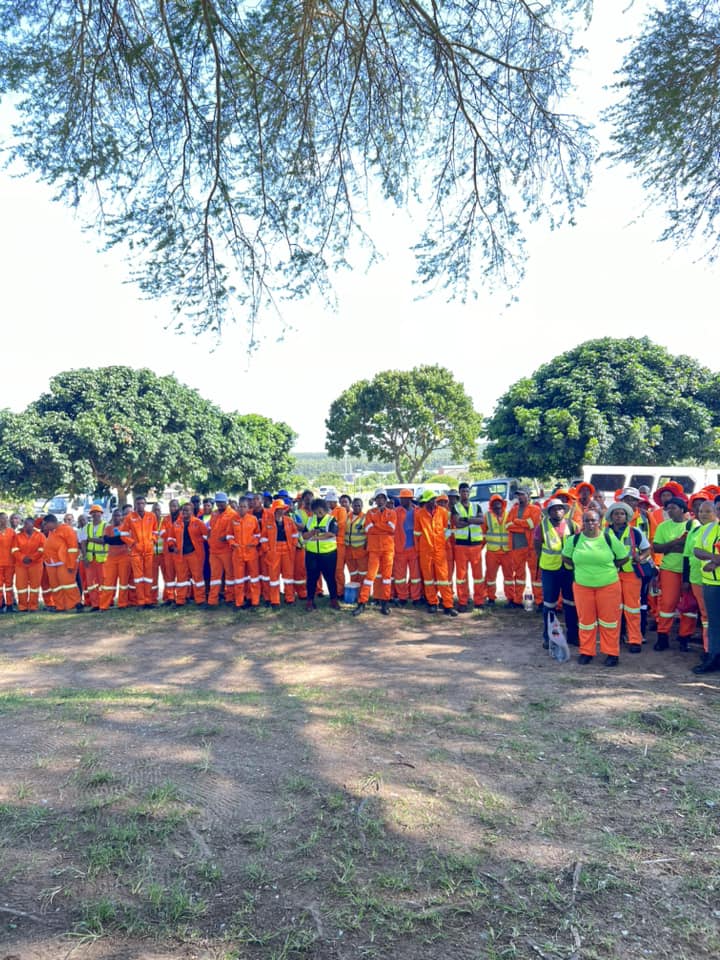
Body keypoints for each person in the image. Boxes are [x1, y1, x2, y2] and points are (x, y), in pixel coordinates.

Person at [561, 508, 628, 666]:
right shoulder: (574, 540)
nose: (590, 523)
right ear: (582, 522)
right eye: (587, 520)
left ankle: (611, 653)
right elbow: (566, 557)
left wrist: (610, 568)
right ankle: (586, 651)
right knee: (586, 622)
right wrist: (580, 569)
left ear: (600, 522)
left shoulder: (608, 538)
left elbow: (623, 557)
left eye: (593, 520)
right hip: (582, 586)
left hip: (609, 586)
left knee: (609, 622)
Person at [652, 496, 698, 651]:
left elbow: (691, 548)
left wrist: (670, 547)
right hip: (669, 570)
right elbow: (657, 548)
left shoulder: (693, 525)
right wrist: (676, 543)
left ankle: (685, 637)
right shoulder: (663, 527)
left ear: (683, 509)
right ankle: (662, 636)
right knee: (667, 604)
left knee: (689, 605)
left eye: (673, 508)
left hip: (690, 570)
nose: (670, 511)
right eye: (668, 508)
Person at [607, 500, 651, 653]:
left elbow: (647, 549)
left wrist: (641, 557)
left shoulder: (635, 532)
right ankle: (615, 639)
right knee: (614, 608)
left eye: (622, 514)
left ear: (626, 517)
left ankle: (635, 640)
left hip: (631, 574)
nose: (619, 516)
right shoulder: (604, 533)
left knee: (632, 608)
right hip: (611, 575)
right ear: (611, 517)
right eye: (616, 514)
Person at [534, 498, 579, 649]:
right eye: (554, 509)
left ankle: (573, 635)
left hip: (568, 569)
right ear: (549, 512)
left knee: (571, 604)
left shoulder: (572, 525)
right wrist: (543, 561)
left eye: (560, 508)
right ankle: (548, 637)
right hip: (549, 571)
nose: (557, 511)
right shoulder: (541, 526)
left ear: (564, 511)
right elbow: (537, 546)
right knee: (549, 605)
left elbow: (579, 542)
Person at [414, 490, 458, 616]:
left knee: (443, 579)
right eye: (431, 500)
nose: (433, 502)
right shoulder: (419, 514)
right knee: (428, 579)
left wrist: (442, 543)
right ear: (426, 502)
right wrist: (419, 550)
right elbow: (416, 534)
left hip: (440, 551)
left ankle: (448, 605)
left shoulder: (443, 512)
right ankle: (432, 603)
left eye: (434, 499)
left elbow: (447, 530)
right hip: (425, 551)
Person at [353, 490, 396, 616]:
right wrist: (383, 527)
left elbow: (392, 528)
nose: (381, 500)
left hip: (387, 550)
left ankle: (385, 603)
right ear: (375, 500)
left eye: (383, 498)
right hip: (374, 550)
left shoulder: (392, 513)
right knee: (369, 577)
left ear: (386, 500)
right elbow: (368, 529)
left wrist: (376, 526)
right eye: (378, 498)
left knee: (386, 578)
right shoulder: (370, 513)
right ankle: (362, 602)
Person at [684, 498, 715, 658]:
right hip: (698, 579)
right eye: (701, 511)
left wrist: (714, 561)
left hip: (713, 581)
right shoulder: (696, 531)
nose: (703, 514)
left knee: (712, 616)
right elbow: (690, 554)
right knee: (705, 616)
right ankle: (708, 648)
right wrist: (686, 579)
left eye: (708, 511)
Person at [692, 496, 720, 673]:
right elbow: (697, 550)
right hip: (710, 583)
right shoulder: (707, 529)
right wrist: (713, 558)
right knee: (714, 623)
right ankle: (714, 657)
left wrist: (717, 562)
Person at [119, 496, 158, 607]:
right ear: (135, 505)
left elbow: (155, 531)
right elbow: (122, 534)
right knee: (139, 578)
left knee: (148, 577)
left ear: (145, 504)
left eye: (142, 503)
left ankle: (148, 600)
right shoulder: (130, 517)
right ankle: (141, 602)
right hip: (135, 552)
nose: (140, 505)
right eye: (138, 503)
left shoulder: (152, 516)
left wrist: (153, 541)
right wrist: (132, 543)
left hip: (149, 551)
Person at [507, 488, 542, 607]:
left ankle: (539, 601)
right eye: (518, 495)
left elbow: (533, 524)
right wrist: (523, 525)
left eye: (522, 495)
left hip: (531, 547)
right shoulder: (514, 509)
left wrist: (516, 522)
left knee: (535, 575)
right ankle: (517, 600)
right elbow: (508, 525)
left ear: (528, 495)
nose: (520, 497)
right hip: (517, 547)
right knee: (519, 575)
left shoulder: (535, 509)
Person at [452, 482, 485, 611]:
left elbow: (481, 521)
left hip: (476, 546)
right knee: (461, 576)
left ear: (469, 492)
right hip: (461, 546)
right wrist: (473, 520)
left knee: (478, 575)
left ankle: (479, 601)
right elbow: (457, 524)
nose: (465, 493)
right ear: (459, 493)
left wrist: (466, 519)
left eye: (467, 491)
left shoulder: (477, 506)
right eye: (462, 491)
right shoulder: (455, 507)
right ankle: (463, 602)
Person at [302, 498, 339, 610]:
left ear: (325, 509)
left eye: (320, 511)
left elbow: (332, 534)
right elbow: (304, 536)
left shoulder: (331, 519)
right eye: (316, 511)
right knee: (311, 579)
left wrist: (315, 536)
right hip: (312, 554)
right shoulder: (309, 520)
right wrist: (312, 533)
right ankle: (310, 601)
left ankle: (334, 600)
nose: (318, 513)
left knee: (330, 578)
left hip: (328, 554)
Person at [168, 503, 208, 606]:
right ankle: (180, 600)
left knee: (197, 578)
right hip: (181, 555)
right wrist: (173, 546)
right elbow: (170, 538)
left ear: (192, 511)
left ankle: (200, 600)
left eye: (187, 510)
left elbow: (207, 535)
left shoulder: (198, 523)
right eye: (183, 511)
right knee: (181, 579)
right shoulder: (176, 523)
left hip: (195, 554)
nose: (185, 512)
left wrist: (198, 542)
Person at [43, 513, 84, 612]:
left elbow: (73, 548)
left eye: (46, 524)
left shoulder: (67, 529)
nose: (45, 527)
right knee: (55, 586)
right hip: (52, 563)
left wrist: (71, 565)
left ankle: (76, 604)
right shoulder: (52, 531)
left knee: (68, 584)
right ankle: (60, 606)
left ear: (52, 522)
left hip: (64, 562)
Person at [262, 500, 299, 606]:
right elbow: (263, 538)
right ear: (274, 510)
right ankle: (275, 600)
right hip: (274, 551)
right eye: (278, 509)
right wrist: (267, 550)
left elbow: (295, 534)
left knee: (288, 576)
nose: (281, 511)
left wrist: (292, 546)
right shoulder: (268, 522)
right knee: (273, 577)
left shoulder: (289, 521)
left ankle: (289, 598)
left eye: (282, 509)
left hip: (287, 551)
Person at [229, 496, 261, 609]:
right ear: (237, 507)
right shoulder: (233, 519)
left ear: (248, 508)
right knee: (239, 580)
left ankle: (254, 601)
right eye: (240, 506)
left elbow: (258, 535)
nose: (242, 509)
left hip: (251, 553)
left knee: (253, 579)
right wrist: (233, 543)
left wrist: (254, 542)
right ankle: (239, 602)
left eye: (244, 507)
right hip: (237, 554)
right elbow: (229, 535)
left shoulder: (253, 519)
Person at [206, 492, 238, 607]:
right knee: (214, 577)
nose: (219, 504)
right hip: (213, 551)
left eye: (221, 502)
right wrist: (209, 538)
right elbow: (210, 528)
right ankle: (212, 601)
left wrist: (225, 538)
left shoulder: (233, 514)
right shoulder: (214, 514)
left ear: (226, 502)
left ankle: (230, 598)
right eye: (218, 502)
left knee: (230, 576)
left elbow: (235, 531)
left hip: (226, 550)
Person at [392, 489, 422, 605]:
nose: (401, 500)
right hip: (400, 549)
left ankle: (416, 597)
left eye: (403, 498)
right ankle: (402, 597)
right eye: (401, 498)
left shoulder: (417, 511)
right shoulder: (396, 511)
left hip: (414, 548)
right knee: (400, 577)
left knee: (415, 576)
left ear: (409, 499)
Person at [99, 508, 132, 610]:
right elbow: (107, 540)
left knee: (123, 582)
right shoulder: (108, 528)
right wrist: (118, 539)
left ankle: (122, 604)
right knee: (108, 583)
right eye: (115, 515)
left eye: (118, 515)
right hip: (111, 558)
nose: (116, 517)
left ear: (122, 517)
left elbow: (122, 541)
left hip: (124, 557)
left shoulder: (125, 528)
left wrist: (114, 539)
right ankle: (104, 605)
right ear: (112, 517)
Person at [482, 494, 512, 606]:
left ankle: (510, 598)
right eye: (494, 502)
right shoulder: (487, 516)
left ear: (503, 504)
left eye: (499, 502)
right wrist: (480, 548)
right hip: (492, 552)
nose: (497, 504)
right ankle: (490, 598)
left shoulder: (509, 515)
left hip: (507, 552)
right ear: (491, 505)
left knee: (509, 577)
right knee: (490, 577)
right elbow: (483, 534)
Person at [12, 516, 45, 612]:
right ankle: (22, 606)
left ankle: (33, 606)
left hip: (36, 564)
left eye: (27, 524)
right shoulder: (18, 536)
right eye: (24, 524)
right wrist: (23, 558)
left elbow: (42, 549)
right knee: (21, 586)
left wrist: (32, 558)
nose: (25, 526)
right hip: (21, 565)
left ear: (33, 525)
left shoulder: (40, 536)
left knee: (35, 586)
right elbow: (14, 550)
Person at [84, 504, 109, 610]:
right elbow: (83, 542)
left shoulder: (105, 526)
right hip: (90, 558)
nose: (95, 514)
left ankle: (103, 604)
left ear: (101, 514)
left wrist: (91, 539)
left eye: (97, 512)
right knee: (91, 583)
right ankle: (95, 604)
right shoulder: (87, 527)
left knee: (103, 583)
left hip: (102, 559)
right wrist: (84, 556)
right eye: (93, 512)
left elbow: (104, 540)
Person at [326, 491, 348, 597]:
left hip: (339, 543)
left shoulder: (341, 510)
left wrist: (329, 528)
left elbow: (341, 524)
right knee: (330, 569)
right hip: (329, 543)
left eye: (329, 502)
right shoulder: (327, 511)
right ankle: (333, 592)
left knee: (339, 569)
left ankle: (340, 592)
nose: (327, 504)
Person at [345, 498, 369, 588]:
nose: (357, 507)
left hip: (361, 549)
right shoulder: (347, 516)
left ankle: (362, 591)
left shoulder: (365, 517)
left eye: (359, 505)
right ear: (352, 506)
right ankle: (354, 589)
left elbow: (369, 534)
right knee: (353, 572)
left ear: (362, 506)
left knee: (363, 572)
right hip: (348, 549)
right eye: (355, 505)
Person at [0, 512, 16, 612]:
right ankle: (1, 605)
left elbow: (16, 547)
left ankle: (10, 605)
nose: (4, 520)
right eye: (2, 518)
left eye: (6, 518)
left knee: (9, 585)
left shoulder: (11, 532)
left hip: (10, 563)